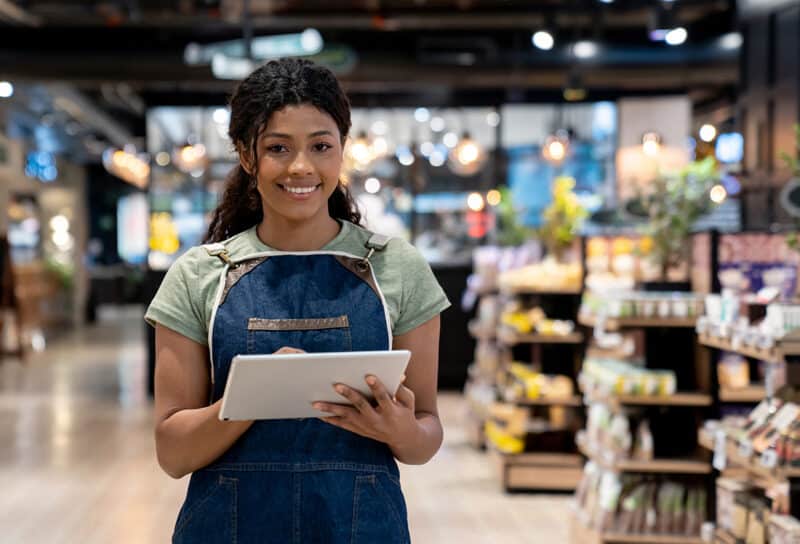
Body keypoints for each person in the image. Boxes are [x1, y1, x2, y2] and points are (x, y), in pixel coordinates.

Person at [145, 58, 450, 543]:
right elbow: (173, 453)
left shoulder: (398, 268)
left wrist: (400, 429)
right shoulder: (199, 274)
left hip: (360, 527)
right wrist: (249, 399)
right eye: (278, 148)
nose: (301, 167)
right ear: (247, 156)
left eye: (321, 146)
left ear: (342, 151)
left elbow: (425, 438)